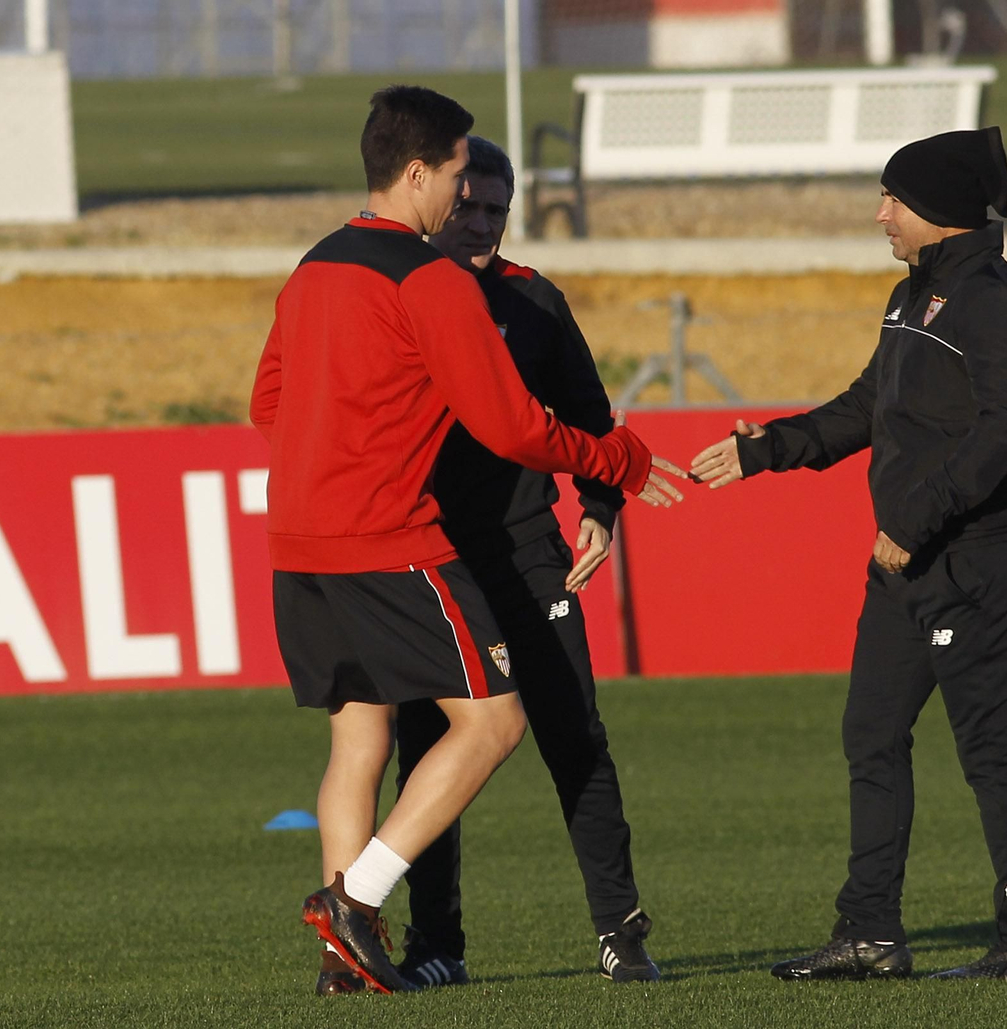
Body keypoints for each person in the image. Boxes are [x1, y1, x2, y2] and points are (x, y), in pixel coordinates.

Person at [248, 86, 686, 997]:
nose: (465, 197)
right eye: (456, 176)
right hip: (390, 537)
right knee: (495, 721)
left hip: (299, 544)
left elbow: (267, 407)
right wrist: (623, 461)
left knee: (358, 744)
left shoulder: (317, 264)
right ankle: (356, 904)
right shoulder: (430, 278)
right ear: (417, 173)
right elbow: (516, 427)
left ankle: (343, 967)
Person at [691, 126, 1007, 982]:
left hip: (971, 560)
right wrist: (768, 449)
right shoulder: (913, 295)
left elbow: (1003, 432)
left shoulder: (995, 301)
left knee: (992, 755)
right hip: (904, 566)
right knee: (871, 733)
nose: (880, 214)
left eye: (892, 198)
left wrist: (919, 518)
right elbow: (869, 406)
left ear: (936, 207)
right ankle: (869, 933)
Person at [374, 135, 664, 989]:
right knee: (428, 746)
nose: (483, 227)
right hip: (430, 558)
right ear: (439, 200)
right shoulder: (399, 295)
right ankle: (437, 945)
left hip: (531, 557)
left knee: (575, 737)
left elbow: (590, 418)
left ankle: (621, 928)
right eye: (470, 207)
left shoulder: (534, 302)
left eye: (498, 212)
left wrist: (601, 512)